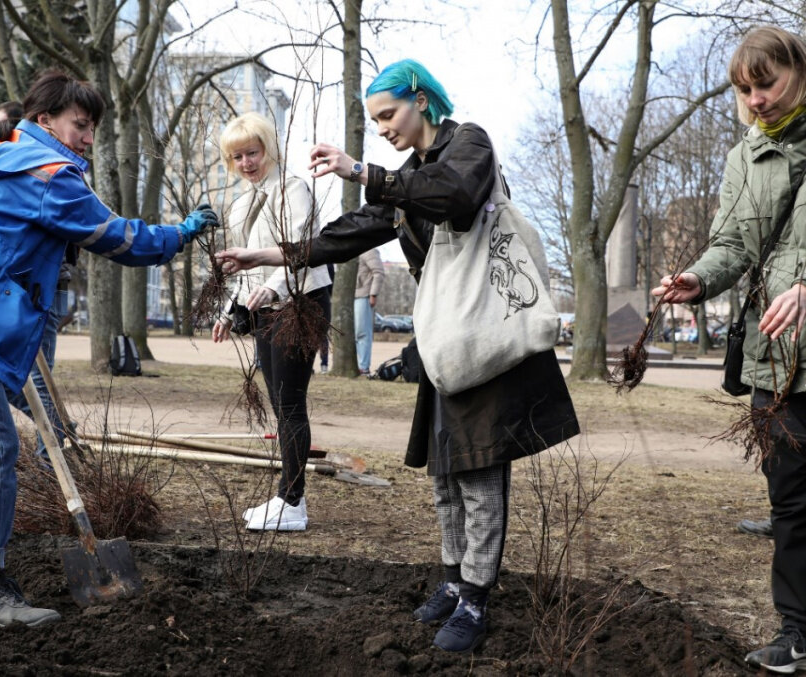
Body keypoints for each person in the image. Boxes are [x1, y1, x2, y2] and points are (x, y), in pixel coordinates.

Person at [217, 59, 579, 654]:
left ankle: (477, 598)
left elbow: (455, 194)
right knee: (445, 469)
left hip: (486, 339)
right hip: (446, 341)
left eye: (388, 114)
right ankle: (453, 576)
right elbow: (354, 229)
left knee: (481, 470)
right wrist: (273, 257)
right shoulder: (407, 176)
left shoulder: (470, 144)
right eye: (374, 120)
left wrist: (362, 170)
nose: (382, 127)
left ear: (421, 100)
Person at [0, 70, 218, 627]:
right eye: (80, 125)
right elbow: (120, 239)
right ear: (44, 121)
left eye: (92, 130)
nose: (86, 139)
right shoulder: (54, 176)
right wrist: (181, 233)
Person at [652, 26, 806, 674]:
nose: (756, 99)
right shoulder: (745, 155)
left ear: (799, 70)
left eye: (766, 83)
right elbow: (735, 243)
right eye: (745, 90)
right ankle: (798, 634)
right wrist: (697, 277)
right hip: (781, 356)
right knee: (791, 500)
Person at [211, 111, 331, 532]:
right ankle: (286, 495)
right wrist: (232, 310)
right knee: (280, 404)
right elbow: (244, 267)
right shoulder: (241, 202)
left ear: (269, 149)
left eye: (253, 153)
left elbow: (300, 248)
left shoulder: (293, 190)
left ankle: (292, 501)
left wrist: (276, 287)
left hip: (301, 303)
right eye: (238, 156)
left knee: (291, 402)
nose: (246, 162)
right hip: (263, 310)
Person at [0, 100, 71, 462]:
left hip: (41, 289)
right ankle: (55, 427)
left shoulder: (43, 171)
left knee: (39, 378)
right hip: (8, 289)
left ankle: (50, 458)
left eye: (0, 129)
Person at [355, 248, 385, 375]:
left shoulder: (369, 250)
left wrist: (373, 294)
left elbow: (379, 272)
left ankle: (364, 367)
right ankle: (357, 365)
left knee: (362, 332)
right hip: (350, 296)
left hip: (364, 295)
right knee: (354, 334)